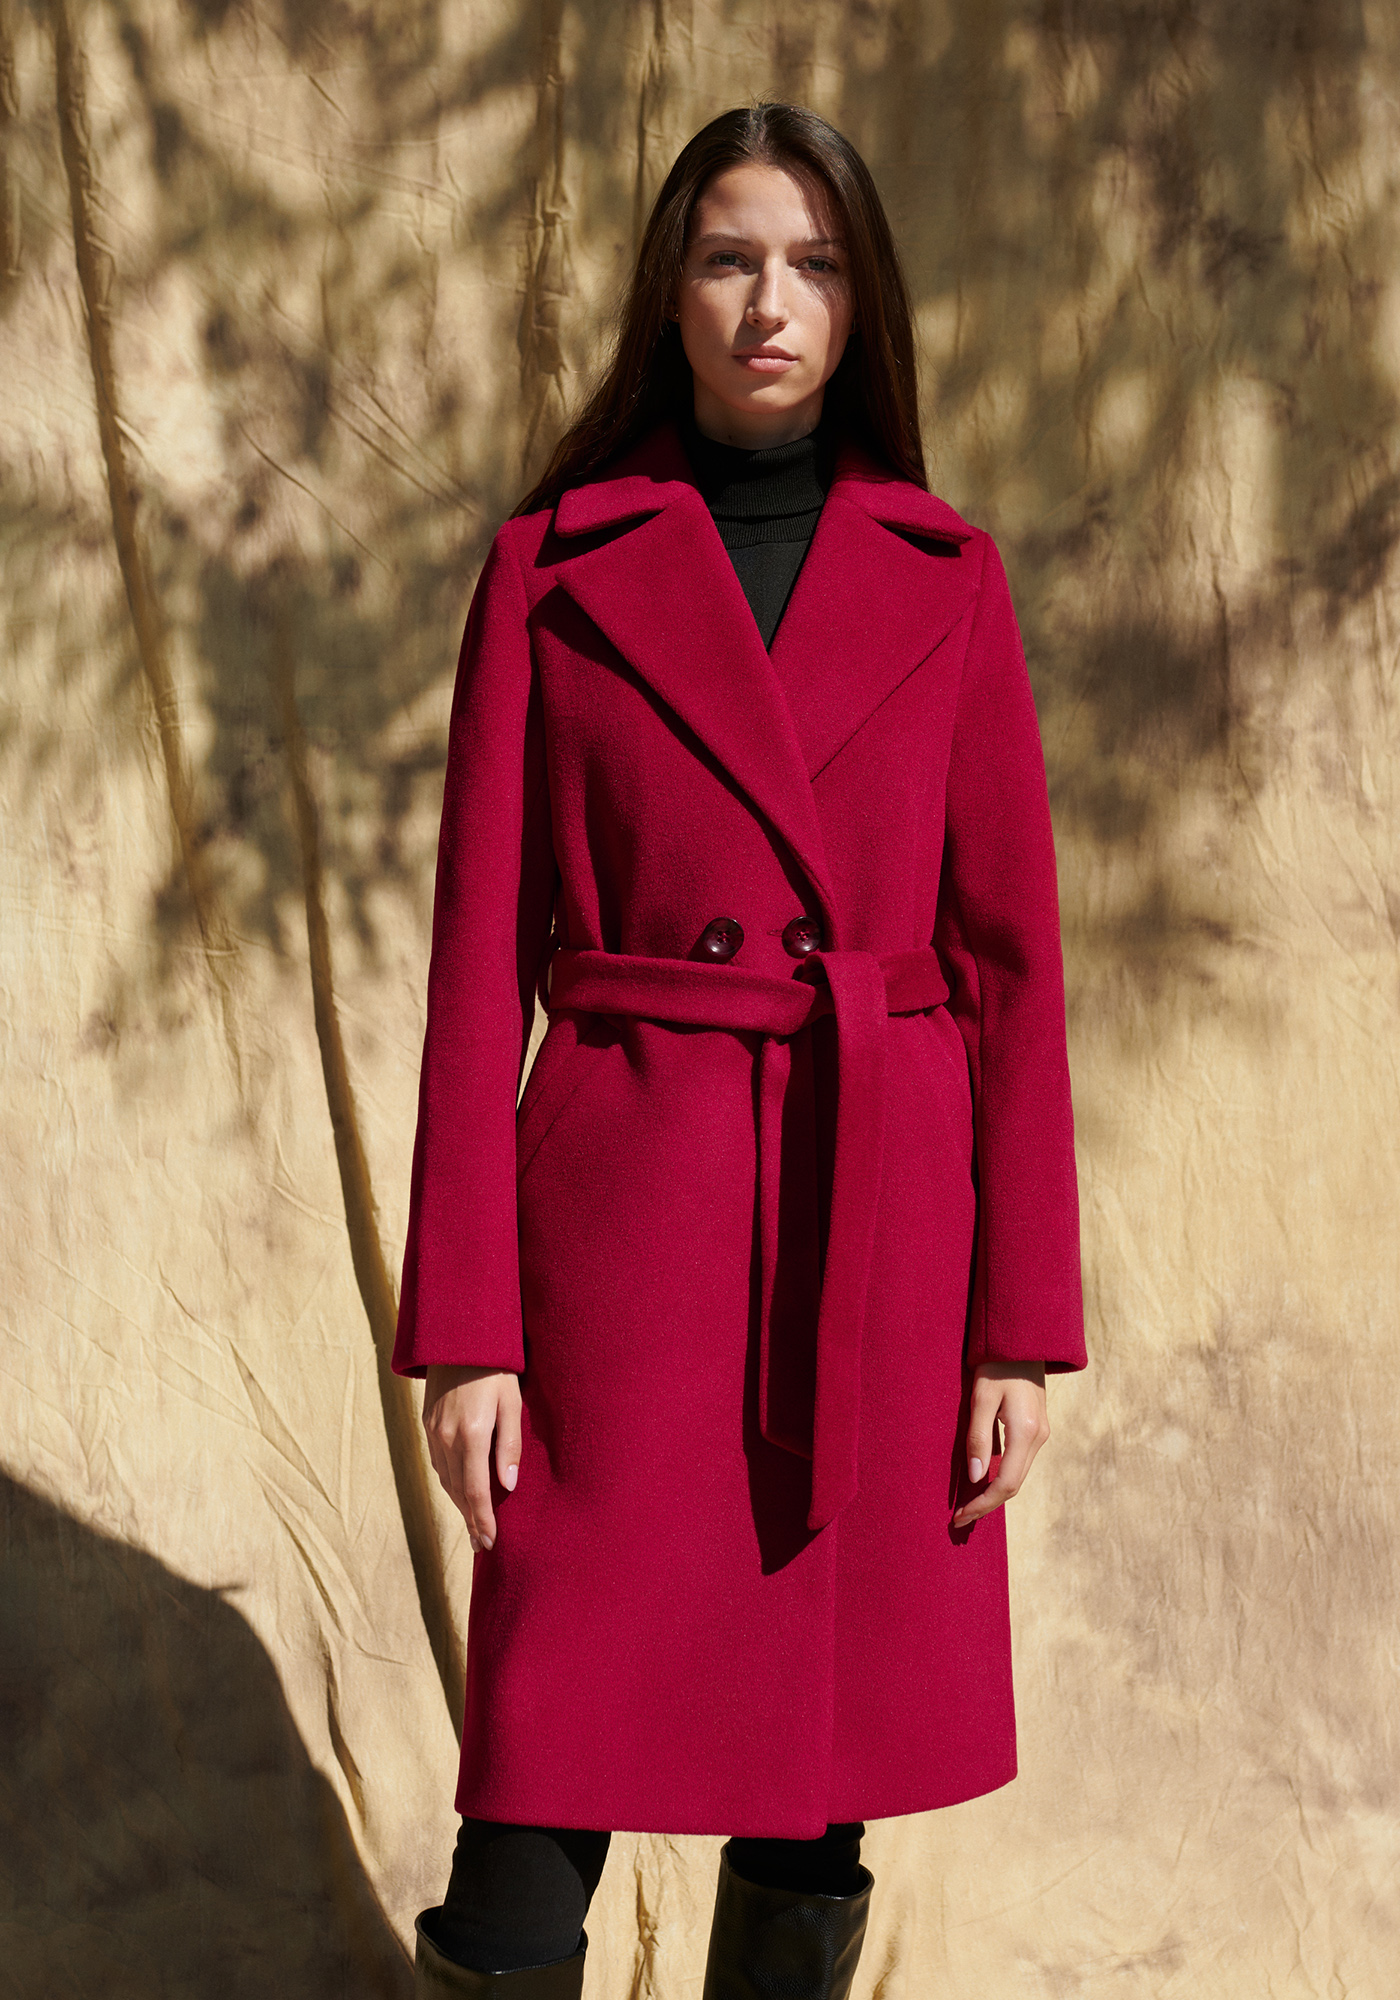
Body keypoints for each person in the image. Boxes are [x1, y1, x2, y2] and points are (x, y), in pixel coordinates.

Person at [393, 101, 1086, 1999]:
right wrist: (469, 1330)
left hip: (878, 1225)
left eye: (813, 263)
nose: (770, 303)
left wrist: (1018, 1326)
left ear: (863, 303)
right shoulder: (552, 567)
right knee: (540, 1777)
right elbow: (475, 972)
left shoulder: (949, 575)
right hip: (626, 1228)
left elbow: (1012, 970)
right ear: (669, 293)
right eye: (728, 259)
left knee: (812, 1776)